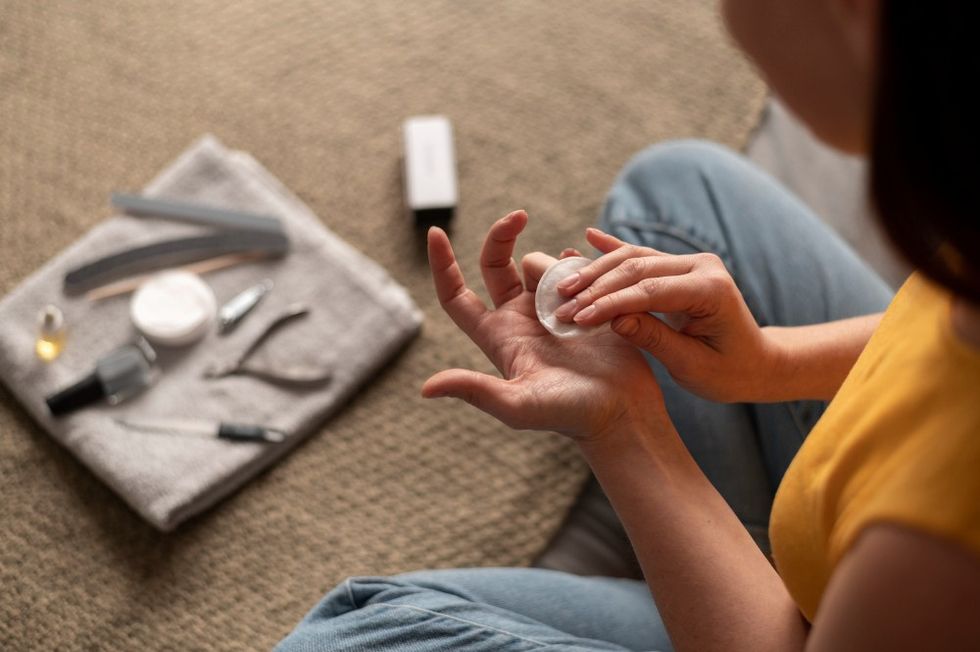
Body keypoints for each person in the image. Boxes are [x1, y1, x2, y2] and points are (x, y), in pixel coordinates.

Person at [276, 1, 980, 650]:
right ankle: (714, 552)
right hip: (843, 548)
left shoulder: (937, 549)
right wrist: (766, 363)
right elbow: (933, 340)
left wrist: (622, 425)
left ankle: (714, 564)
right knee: (675, 196)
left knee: (349, 632)